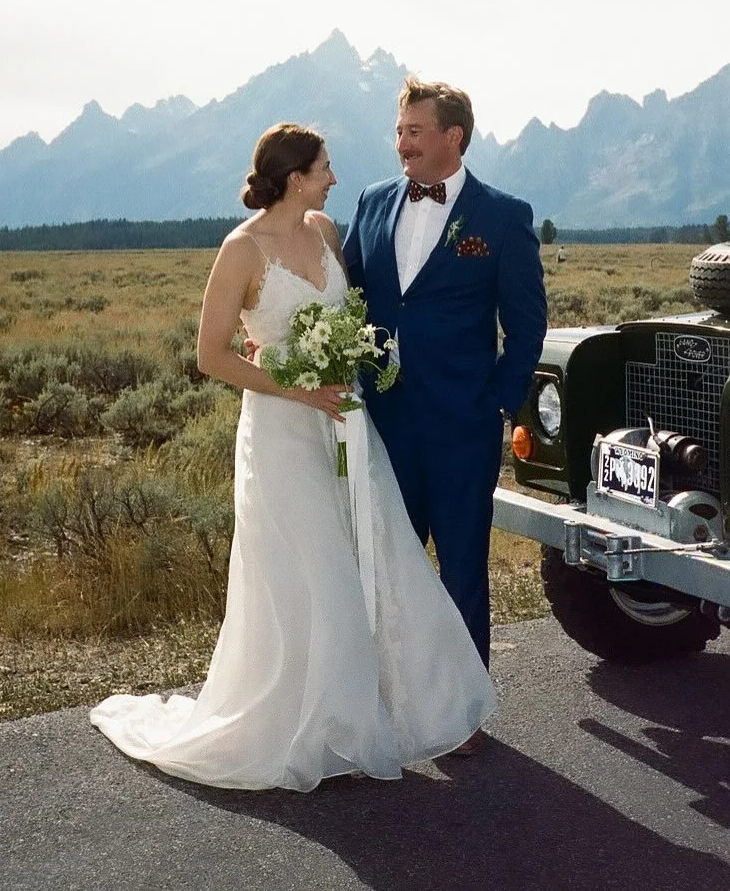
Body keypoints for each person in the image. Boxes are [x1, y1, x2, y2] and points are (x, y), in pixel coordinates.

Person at [89, 123, 495, 791]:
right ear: (295, 176)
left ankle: (419, 710)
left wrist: (352, 361)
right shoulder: (241, 250)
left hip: (347, 422)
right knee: (312, 568)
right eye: (324, 167)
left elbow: (353, 313)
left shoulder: (326, 231)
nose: (334, 178)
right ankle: (318, 723)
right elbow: (211, 355)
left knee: (381, 553)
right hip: (282, 430)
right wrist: (298, 388)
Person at [342, 77, 548, 679]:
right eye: (399, 130)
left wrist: (499, 402)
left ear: (452, 136)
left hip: (463, 426)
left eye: (414, 131)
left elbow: (527, 324)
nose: (401, 144)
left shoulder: (502, 216)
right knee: (387, 567)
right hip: (385, 422)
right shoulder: (372, 201)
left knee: (462, 571)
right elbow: (347, 292)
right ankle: (396, 697)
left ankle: (463, 707)